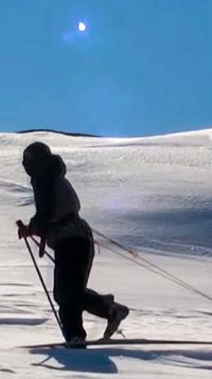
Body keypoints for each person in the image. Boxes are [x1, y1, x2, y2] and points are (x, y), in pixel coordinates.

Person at [16, 141, 129, 346]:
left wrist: (31, 228)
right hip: (75, 238)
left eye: (28, 161)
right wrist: (35, 227)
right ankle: (109, 311)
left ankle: (76, 336)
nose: (27, 166)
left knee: (67, 294)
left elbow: (47, 213)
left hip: (71, 240)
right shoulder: (53, 176)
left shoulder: (46, 179)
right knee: (69, 293)